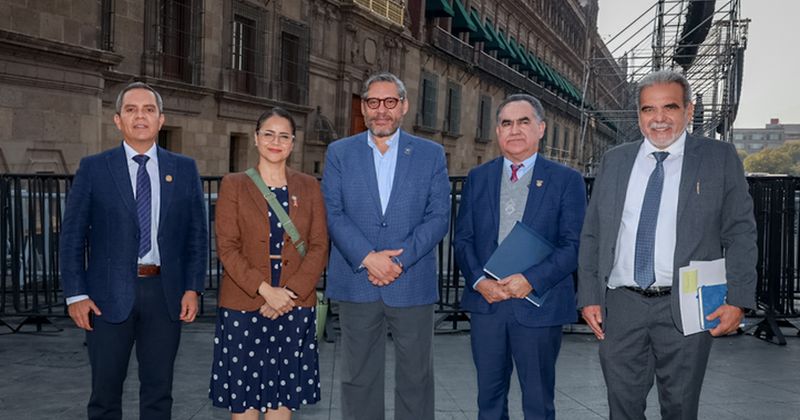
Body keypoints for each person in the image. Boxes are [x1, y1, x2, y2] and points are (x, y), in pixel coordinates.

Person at [577, 69, 757, 419]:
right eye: (648, 109)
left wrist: (738, 299)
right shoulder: (615, 161)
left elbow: (740, 232)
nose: (658, 119)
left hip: (686, 305)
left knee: (679, 408)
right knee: (622, 409)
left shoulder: (718, 158)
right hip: (621, 305)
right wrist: (588, 296)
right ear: (639, 114)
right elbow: (593, 233)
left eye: (669, 107)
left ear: (688, 111)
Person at [59, 81, 208, 419]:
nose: (140, 116)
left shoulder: (183, 169)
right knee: (105, 395)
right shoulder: (94, 168)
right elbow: (71, 238)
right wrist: (75, 294)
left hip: (165, 295)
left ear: (161, 120)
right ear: (117, 120)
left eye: (148, 110)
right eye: (131, 109)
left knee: (159, 393)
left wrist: (192, 288)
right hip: (105, 297)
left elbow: (197, 236)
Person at [321, 72, 450, 420]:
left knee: (416, 379)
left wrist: (398, 262)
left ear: (403, 106)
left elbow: (439, 217)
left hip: (411, 281)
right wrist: (367, 258)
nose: (381, 110)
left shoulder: (431, 154)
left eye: (390, 102)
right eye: (373, 102)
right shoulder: (339, 153)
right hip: (356, 280)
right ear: (363, 107)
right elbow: (332, 213)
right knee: (358, 377)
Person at [453, 94, 586, 419]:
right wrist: (478, 281)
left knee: (538, 402)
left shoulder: (566, 181)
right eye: (506, 123)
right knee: (489, 399)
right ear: (498, 131)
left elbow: (574, 244)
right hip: (488, 305)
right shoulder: (478, 178)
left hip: (539, 306)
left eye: (524, 122)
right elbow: (463, 239)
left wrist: (531, 280)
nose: (515, 130)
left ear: (540, 128)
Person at [209, 107, 329, 419]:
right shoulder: (234, 184)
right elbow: (227, 247)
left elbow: (319, 245)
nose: (276, 141)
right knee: (245, 400)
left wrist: (287, 293)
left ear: (292, 143)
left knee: (282, 400)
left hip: (294, 306)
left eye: (284, 136)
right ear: (256, 138)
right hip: (243, 305)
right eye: (269, 134)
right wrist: (266, 290)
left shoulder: (309, 186)